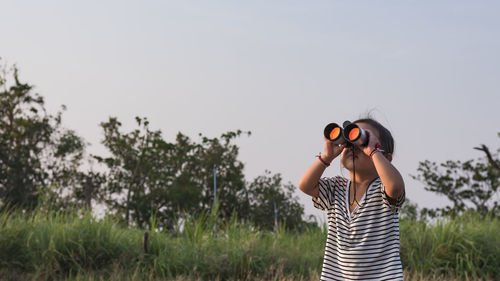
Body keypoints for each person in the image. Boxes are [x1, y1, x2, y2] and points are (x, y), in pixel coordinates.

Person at [298, 118, 406, 281]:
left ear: (386, 158)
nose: (354, 147)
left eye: (362, 141)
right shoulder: (336, 187)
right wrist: (326, 157)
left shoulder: (383, 189)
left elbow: (396, 187)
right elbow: (305, 186)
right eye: (349, 142)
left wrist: (372, 151)